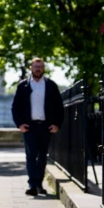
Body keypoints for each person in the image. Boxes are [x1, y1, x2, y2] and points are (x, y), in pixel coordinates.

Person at [11, 57, 64, 196]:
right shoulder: (23, 86)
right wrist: (20, 124)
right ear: (31, 68)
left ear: (44, 68)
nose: (38, 69)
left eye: (40, 66)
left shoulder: (51, 85)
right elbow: (15, 107)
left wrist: (57, 124)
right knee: (31, 155)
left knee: (42, 156)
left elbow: (59, 107)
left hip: (46, 127)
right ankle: (32, 185)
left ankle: (39, 184)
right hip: (29, 127)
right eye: (35, 66)